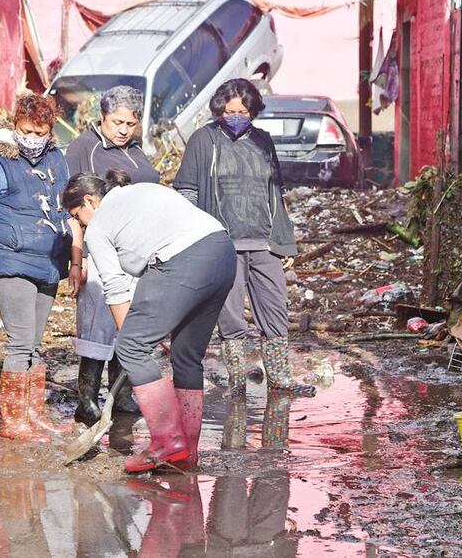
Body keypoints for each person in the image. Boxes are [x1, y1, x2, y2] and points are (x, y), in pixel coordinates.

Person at [63, 170, 236, 472]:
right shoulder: (142, 190)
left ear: (90, 201)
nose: (79, 224)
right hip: (222, 252)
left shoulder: (99, 226)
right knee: (186, 356)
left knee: (130, 346)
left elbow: (115, 289)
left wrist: (132, 340)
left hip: (184, 260)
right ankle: (187, 452)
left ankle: (167, 441)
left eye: (77, 215)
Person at [173, 78, 315, 398]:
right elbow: (187, 191)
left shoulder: (263, 140)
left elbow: (275, 192)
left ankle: (279, 377)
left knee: (275, 309)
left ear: (253, 111)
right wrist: (193, 240)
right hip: (222, 245)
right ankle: (237, 382)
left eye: (243, 110)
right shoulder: (203, 139)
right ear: (219, 108)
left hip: (263, 242)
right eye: (230, 109)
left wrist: (283, 238)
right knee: (230, 315)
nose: (236, 115)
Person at [0, 93, 83, 441]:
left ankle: (34, 414)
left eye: (39, 132)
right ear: (15, 126)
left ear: (50, 131)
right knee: (19, 343)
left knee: (33, 344)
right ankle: (14, 422)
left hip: (48, 262)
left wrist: (76, 261)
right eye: (25, 130)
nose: (31, 139)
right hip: (10, 261)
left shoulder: (57, 161)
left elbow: (69, 213)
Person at [64, 86, 159, 426]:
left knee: (126, 323)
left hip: (137, 249)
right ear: (101, 117)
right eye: (117, 121)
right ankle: (86, 398)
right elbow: (71, 206)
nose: (123, 129)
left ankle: (121, 394)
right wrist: (78, 259)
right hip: (99, 252)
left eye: (130, 123)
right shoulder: (83, 149)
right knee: (97, 325)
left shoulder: (135, 150)